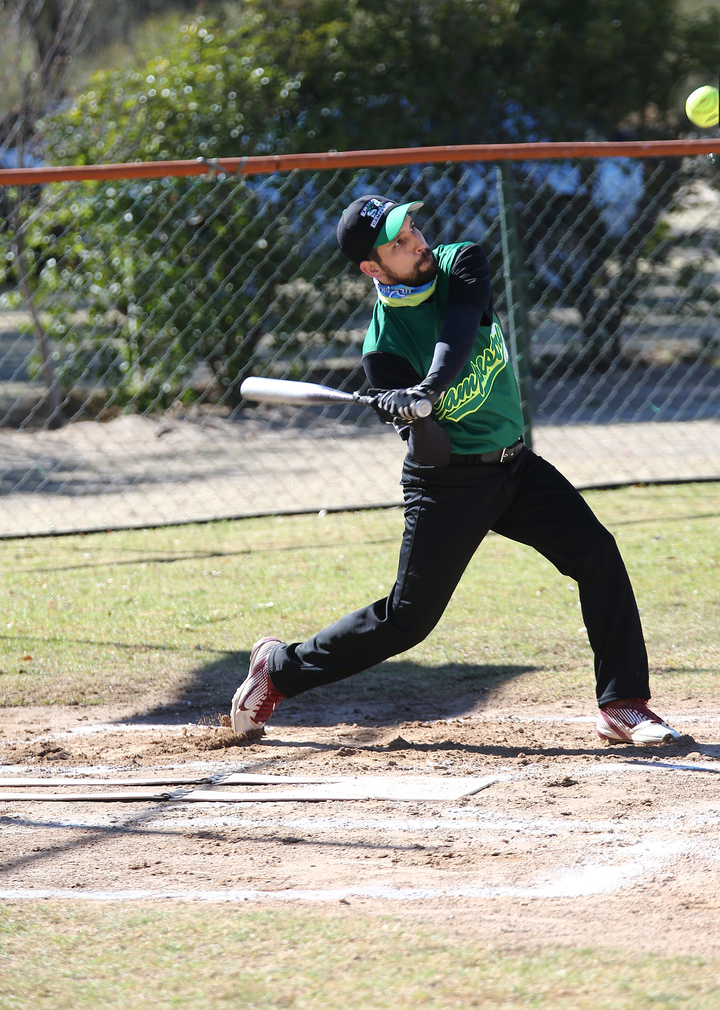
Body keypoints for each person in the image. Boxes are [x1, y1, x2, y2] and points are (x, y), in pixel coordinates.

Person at [231, 194, 682, 746]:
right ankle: (278, 669)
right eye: (398, 243)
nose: (416, 242)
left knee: (598, 552)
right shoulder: (384, 353)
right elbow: (433, 455)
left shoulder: (459, 262)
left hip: (515, 466)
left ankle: (622, 702)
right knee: (407, 621)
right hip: (449, 485)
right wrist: (413, 414)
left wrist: (430, 388)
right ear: (373, 268)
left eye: (412, 228)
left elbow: (461, 328)